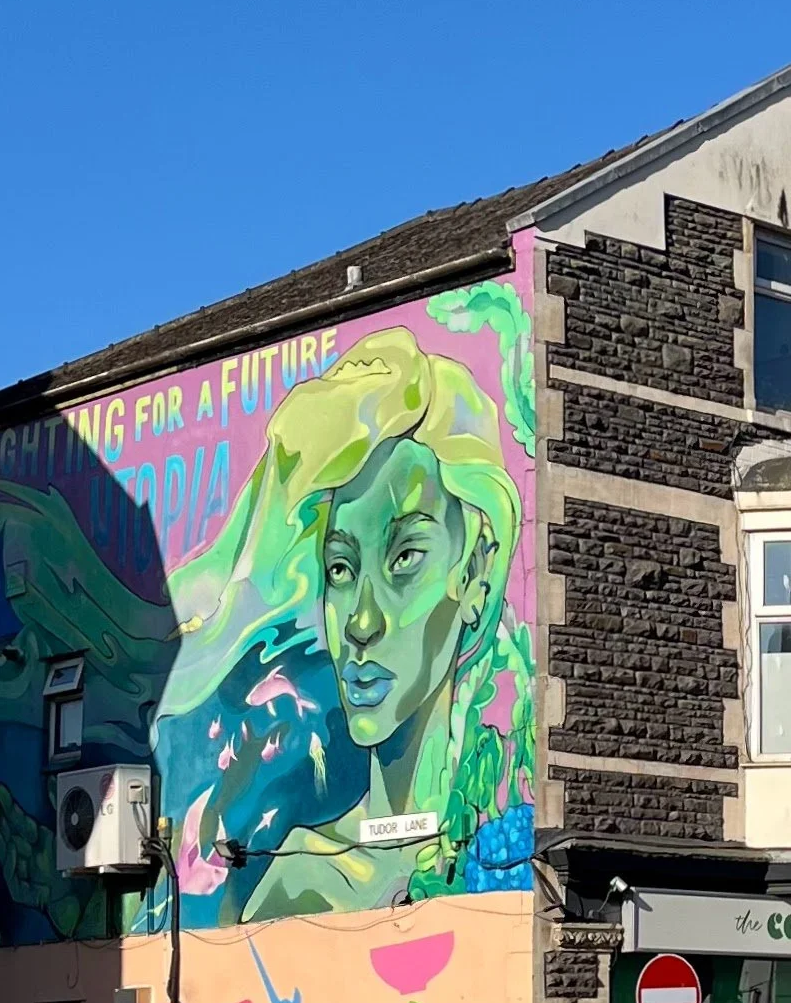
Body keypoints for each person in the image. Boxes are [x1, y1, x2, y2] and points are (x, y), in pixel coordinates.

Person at [160, 327, 532, 921]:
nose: (360, 621)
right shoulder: (297, 882)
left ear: (476, 572)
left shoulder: (507, 834)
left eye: (404, 558)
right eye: (340, 568)